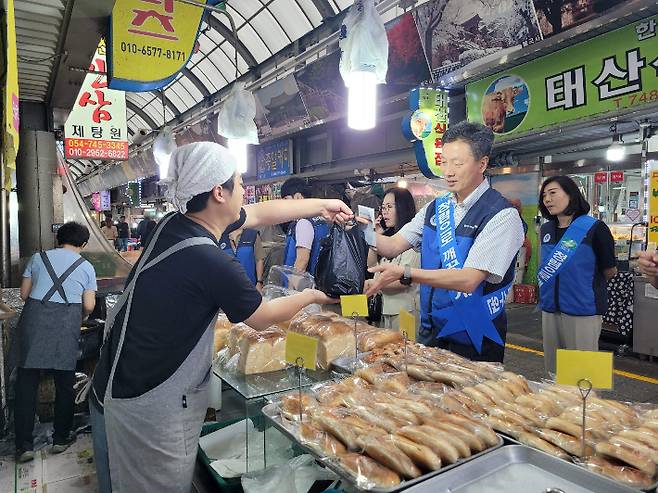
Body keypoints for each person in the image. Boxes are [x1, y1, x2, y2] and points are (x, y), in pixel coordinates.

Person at [88, 142, 352, 493]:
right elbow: (262, 317)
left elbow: (261, 213)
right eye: (240, 183)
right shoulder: (208, 258)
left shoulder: (176, 224)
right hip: (144, 407)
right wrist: (313, 295)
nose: (245, 190)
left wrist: (322, 206)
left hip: (117, 386)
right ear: (218, 192)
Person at [363, 121, 525, 362]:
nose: (448, 171)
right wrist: (361, 228)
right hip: (433, 327)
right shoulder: (435, 208)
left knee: (470, 397)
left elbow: (469, 280)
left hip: (474, 333)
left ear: (482, 163)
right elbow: (392, 245)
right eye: (444, 162)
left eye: (457, 163)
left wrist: (406, 272)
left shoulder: (502, 215)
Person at [14, 222, 97, 463]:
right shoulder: (86, 266)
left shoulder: (38, 259)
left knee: (26, 383)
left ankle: (24, 446)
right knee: (64, 382)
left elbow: (24, 294)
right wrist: (80, 315)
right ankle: (60, 439)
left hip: (34, 322)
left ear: (58, 239)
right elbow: (90, 305)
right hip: (65, 325)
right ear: (83, 244)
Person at [537, 176, 617, 374]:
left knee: (582, 374)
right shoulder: (546, 229)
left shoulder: (594, 228)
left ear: (571, 195)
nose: (547, 199)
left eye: (553, 193)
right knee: (553, 371)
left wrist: (582, 286)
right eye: (544, 195)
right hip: (550, 308)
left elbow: (610, 270)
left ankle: (587, 406)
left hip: (583, 309)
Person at [364, 187, 420, 330]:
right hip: (386, 309)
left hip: (405, 311)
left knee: (405, 351)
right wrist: (377, 235)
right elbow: (371, 266)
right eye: (383, 207)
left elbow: (404, 281)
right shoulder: (389, 239)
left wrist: (374, 283)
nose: (384, 211)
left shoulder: (412, 240)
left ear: (402, 208)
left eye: (389, 207)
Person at [281, 177, 330, 274]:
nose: (284, 205)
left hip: (304, 286)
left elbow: (302, 262)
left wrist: (292, 287)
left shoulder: (304, 223)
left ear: (298, 197)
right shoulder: (320, 219)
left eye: (286, 199)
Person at [219, 227, 265, 292]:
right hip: (227, 287)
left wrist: (259, 282)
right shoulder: (219, 237)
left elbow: (259, 259)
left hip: (250, 285)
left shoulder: (252, 234)